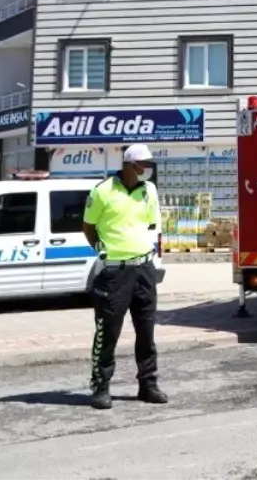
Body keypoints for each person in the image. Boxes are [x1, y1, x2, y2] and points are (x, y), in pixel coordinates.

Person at [82, 143, 166, 410]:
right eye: (145, 165)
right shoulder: (102, 191)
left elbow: (150, 223)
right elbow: (88, 226)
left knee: (146, 332)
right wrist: (101, 251)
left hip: (144, 269)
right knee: (108, 333)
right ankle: (101, 386)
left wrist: (151, 249)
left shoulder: (149, 190)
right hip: (114, 272)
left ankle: (148, 385)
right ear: (131, 166)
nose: (149, 170)